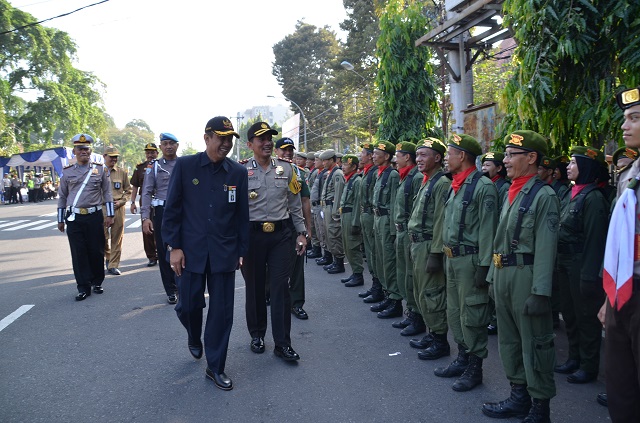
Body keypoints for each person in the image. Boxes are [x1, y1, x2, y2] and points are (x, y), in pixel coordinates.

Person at [162, 116, 248, 391]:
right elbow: (172, 208)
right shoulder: (186, 166)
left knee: (222, 313)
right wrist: (174, 247)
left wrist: (241, 251)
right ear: (207, 137)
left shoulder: (237, 172)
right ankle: (193, 334)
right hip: (190, 252)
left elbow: (242, 217)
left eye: (230, 139)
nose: (226, 144)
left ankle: (215, 367)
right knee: (188, 305)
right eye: (220, 137)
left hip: (223, 252)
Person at [482, 130, 558, 423]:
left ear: (531, 158)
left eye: (512, 155)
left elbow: (547, 247)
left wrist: (541, 292)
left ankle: (540, 407)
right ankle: (518, 396)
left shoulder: (543, 195)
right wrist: (491, 277)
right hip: (503, 273)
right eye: (506, 154)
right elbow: (499, 239)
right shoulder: (513, 191)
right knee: (510, 342)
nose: (506, 160)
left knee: (535, 342)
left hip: (526, 277)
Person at [436, 133, 498, 392]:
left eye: (449, 154)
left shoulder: (483, 187)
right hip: (453, 259)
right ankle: (462, 357)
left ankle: (475, 367)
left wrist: (484, 268)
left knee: (472, 314)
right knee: (455, 312)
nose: (447, 158)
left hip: (471, 261)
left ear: (462, 156)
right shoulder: (456, 184)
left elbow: (488, 230)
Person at [241, 121, 307, 362]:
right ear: (250, 145)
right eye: (262, 139)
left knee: (281, 289)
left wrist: (301, 233)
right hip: (252, 237)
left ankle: (283, 343)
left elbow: (295, 204)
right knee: (255, 288)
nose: (268, 142)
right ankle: (257, 335)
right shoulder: (241, 172)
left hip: (281, 236)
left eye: (269, 137)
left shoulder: (288, 170)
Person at [598, 86, 640, 422]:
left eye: (635, 118)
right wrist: (609, 298)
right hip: (625, 292)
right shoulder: (630, 172)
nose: (625, 126)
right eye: (625, 118)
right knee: (619, 381)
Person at [553, 147, 608, 385]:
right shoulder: (569, 193)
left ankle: (588, 365)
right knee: (570, 313)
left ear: (585, 167)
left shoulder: (593, 197)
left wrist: (588, 276)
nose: (568, 166)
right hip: (563, 261)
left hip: (580, 263)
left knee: (586, 316)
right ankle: (574, 357)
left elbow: (595, 239)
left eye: (573, 163)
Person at [407, 138, 452, 360]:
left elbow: (440, 221)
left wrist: (435, 253)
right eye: (418, 155)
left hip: (428, 245)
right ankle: (433, 333)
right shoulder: (428, 180)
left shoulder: (441, 182)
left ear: (437, 158)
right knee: (420, 292)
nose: (419, 159)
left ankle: (440, 340)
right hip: (418, 243)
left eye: (424, 155)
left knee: (432, 293)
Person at [57, 134, 114, 301]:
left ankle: (97, 281)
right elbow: (62, 196)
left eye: (86, 149)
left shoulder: (100, 170)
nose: (83, 151)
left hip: (95, 216)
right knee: (78, 252)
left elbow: (107, 193)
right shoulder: (67, 172)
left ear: (90, 151)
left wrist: (110, 215)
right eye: (80, 149)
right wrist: (60, 219)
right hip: (75, 217)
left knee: (96, 250)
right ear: (74, 151)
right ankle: (83, 286)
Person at [275, 138, 313, 320]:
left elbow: (304, 200)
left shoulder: (298, 172)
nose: (287, 153)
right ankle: (271, 296)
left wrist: (306, 229)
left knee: (297, 263)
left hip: (293, 223)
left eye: (290, 150)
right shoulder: (266, 169)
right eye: (283, 150)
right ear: (275, 151)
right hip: (273, 224)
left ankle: (296, 303)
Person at [391, 141, 425, 336]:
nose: (396, 158)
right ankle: (411, 312)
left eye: (399, 155)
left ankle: (417, 317)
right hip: (402, 231)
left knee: (412, 277)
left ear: (407, 157)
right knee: (404, 274)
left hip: (410, 233)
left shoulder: (417, 177)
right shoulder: (406, 177)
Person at [142, 133, 179, 304]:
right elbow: (147, 192)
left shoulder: (184, 164)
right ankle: (170, 289)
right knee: (164, 251)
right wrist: (145, 218)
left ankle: (182, 284)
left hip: (182, 212)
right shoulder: (154, 167)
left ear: (177, 145)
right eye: (165, 144)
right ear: (160, 147)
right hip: (162, 212)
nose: (169, 146)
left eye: (172, 143)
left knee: (184, 247)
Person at [369, 141, 402, 319]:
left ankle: (395, 300)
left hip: (386, 221)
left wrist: (392, 231)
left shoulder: (393, 175)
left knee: (389, 262)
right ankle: (387, 295)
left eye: (376, 154)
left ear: (387, 156)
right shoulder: (379, 174)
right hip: (377, 219)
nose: (373, 156)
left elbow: (393, 203)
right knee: (380, 259)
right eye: (373, 153)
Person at [481, 151, 511, 336]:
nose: (484, 168)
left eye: (488, 165)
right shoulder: (485, 185)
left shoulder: (503, 187)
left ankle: (496, 319)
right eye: (483, 165)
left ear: (499, 168)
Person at [357, 142, 382, 302]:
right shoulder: (368, 172)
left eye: (364, 153)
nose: (362, 156)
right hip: (366, 214)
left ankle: (379, 288)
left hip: (373, 216)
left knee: (375, 252)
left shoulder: (374, 173)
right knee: (370, 252)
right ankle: (375, 285)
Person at [103, 146, 131, 276]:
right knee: (101, 237)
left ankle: (113, 265)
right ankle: (108, 257)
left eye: (116, 157)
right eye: (111, 156)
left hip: (118, 207)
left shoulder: (122, 172)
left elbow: (128, 190)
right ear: (104, 156)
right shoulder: (97, 172)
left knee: (117, 237)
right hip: (102, 207)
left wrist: (121, 201)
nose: (114, 159)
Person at [130, 143, 159, 267]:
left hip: (160, 200)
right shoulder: (140, 168)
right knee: (147, 230)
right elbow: (135, 187)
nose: (150, 155)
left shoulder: (162, 165)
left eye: (152, 152)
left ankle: (161, 253)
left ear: (157, 153)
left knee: (161, 227)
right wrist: (132, 202)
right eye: (148, 153)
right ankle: (151, 256)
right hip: (145, 201)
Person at [339, 154, 364, 287]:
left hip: (351, 216)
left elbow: (357, 203)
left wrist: (355, 223)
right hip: (345, 215)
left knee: (353, 246)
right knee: (347, 245)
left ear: (354, 166)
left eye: (346, 164)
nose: (343, 167)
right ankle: (354, 272)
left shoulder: (357, 181)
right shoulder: (349, 179)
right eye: (342, 164)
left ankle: (358, 274)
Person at [319, 149, 346, 274]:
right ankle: (335, 261)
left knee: (334, 234)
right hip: (327, 207)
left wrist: (336, 212)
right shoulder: (331, 173)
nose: (323, 162)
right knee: (329, 234)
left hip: (332, 208)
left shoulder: (337, 174)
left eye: (325, 160)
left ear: (331, 160)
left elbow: (339, 194)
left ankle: (339, 263)